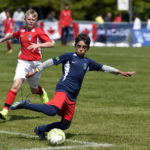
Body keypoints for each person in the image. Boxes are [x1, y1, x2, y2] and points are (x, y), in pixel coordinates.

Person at [10, 33, 136, 139]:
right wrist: (36, 70)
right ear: (75, 45)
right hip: (63, 89)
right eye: (79, 46)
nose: (81, 49)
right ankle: (26, 104)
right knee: (52, 111)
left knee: (65, 125)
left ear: (88, 48)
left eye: (84, 47)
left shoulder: (88, 62)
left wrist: (120, 72)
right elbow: (50, 62)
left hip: (73, 96)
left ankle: (40, 130)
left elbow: (104, 68)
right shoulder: (69, 56)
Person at [0, 9, 55, 120]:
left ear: (36, 21)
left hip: (35, 64)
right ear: (25, 20)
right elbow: (12, 35)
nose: (30, 21)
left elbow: (51, 43)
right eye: (29, 19)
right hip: (23, 62)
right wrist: (2, 40)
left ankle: (42, 92)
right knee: (16, 85)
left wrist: (38, 45)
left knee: (33, 90)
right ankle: (4, 111)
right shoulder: (21, 31)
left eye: (33, 20)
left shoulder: (38, 31)